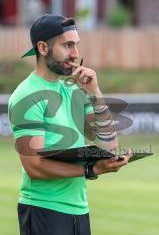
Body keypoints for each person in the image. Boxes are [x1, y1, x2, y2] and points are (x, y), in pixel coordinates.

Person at [8, 14, 131, 235]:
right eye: (67, 45)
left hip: (79, 209)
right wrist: (90, 169)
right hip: (43, 210)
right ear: (43, 48)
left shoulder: (74, 89)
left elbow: (109, 145)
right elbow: (34, 166)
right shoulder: (26, 95)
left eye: (76, 45)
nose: (75, 53)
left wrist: (95, 92)